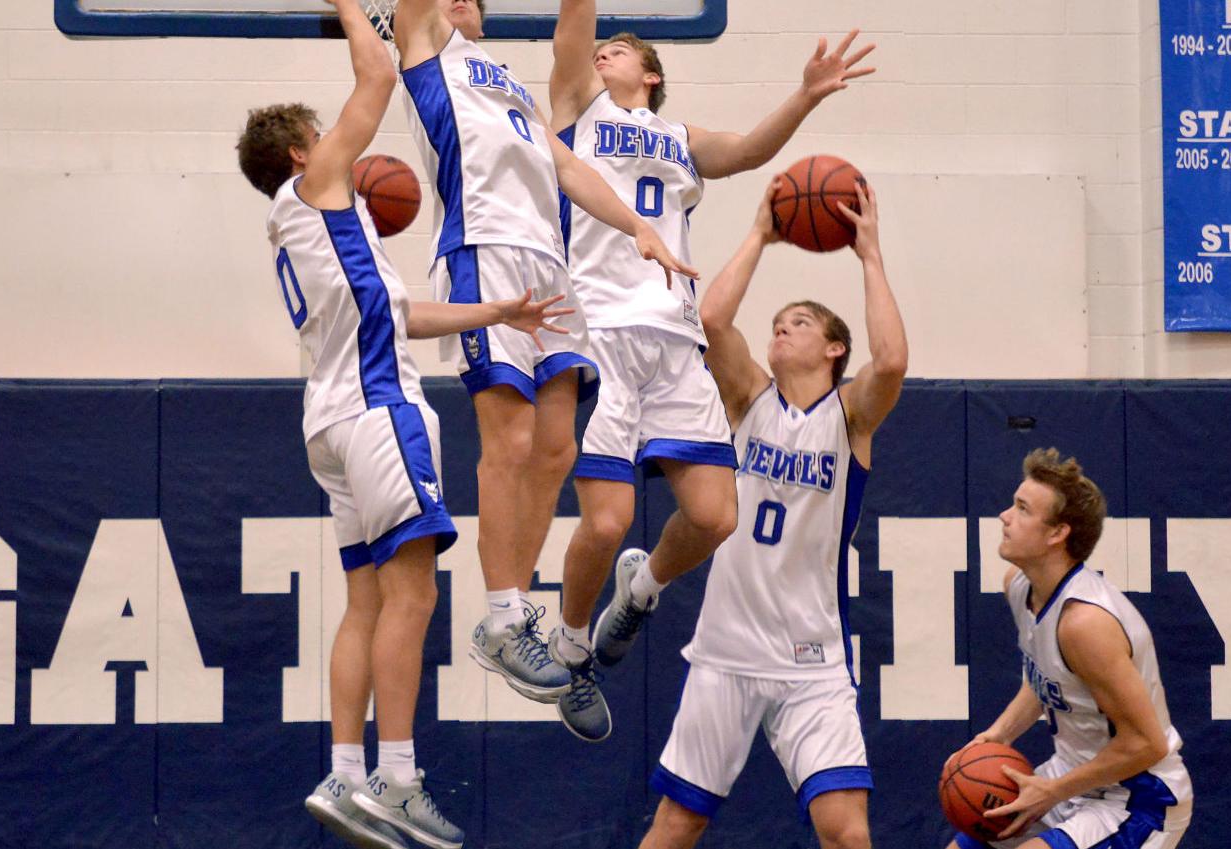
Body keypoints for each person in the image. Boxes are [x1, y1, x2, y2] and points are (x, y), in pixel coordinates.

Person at [236, 3, 572, 846]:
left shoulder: (311, 227)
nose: (339, 140)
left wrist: (495, 311)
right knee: (414, 594)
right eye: (323, 134)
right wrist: (355, 9)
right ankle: (398, 777)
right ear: (301, 153)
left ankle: (346, 774)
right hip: (381, 409)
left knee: (365, 601)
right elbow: (380, 73)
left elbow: (401, 315)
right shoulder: (317, 185)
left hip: (330, 421)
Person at [545, 0, 878, 742]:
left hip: (675, 336)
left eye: (619, 50)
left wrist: (806, 94)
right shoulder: (579, 107)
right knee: (608, 519)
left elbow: (752, 151)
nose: (602, 54)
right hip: (601, 329)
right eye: (600, 49)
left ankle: (642, 588)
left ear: (652, 74)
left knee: (715, 517)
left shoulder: (679, 138)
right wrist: (584, 34)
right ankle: (570, 651)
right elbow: (573, 27)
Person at [391, 0, 698, 707]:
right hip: (484, 248)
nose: (460, 2)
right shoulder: (429, 51)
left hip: (548, 265)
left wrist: (637, 227)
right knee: (511, 438)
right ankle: (502, 616)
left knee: (556, 448)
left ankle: (515, 611)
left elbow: (566, 166)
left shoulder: (508, 84)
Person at [637, 178, 906, 849]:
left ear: (835, 349)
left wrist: (870, 255)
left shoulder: (850, 416)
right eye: (779, 322)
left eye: (802, 322)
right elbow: (710, 322)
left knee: (847, 834)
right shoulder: (749, 399)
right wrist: (759, 233)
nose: (782, 328)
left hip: (812, 659)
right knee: (676, 825)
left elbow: (893, 360)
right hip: (726, 651)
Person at [944, 449, 1193, 849]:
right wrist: (998, 736)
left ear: (1057, 533)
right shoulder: (1019, 585)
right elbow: (1044, 679)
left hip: (1136, 795)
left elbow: (1147, 744)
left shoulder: (1085, 625)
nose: (1004, 516)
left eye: (1022, 509)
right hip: (1070, 778)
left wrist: (1053, 791)